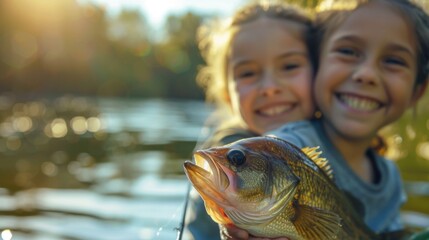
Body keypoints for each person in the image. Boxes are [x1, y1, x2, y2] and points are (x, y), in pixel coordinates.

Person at [223, 0, 429, 239]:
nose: (366, 74)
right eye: (348, 51)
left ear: (417, 90)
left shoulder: (389, 176)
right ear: (317, 64)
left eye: (394, 61)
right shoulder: (287, 150)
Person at [183, 2, 317, 240]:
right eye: (248, 73)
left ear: (320, 75)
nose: (269, 88)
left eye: (289, 66)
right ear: (227, 93)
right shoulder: (226, 159)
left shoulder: (335, 140)